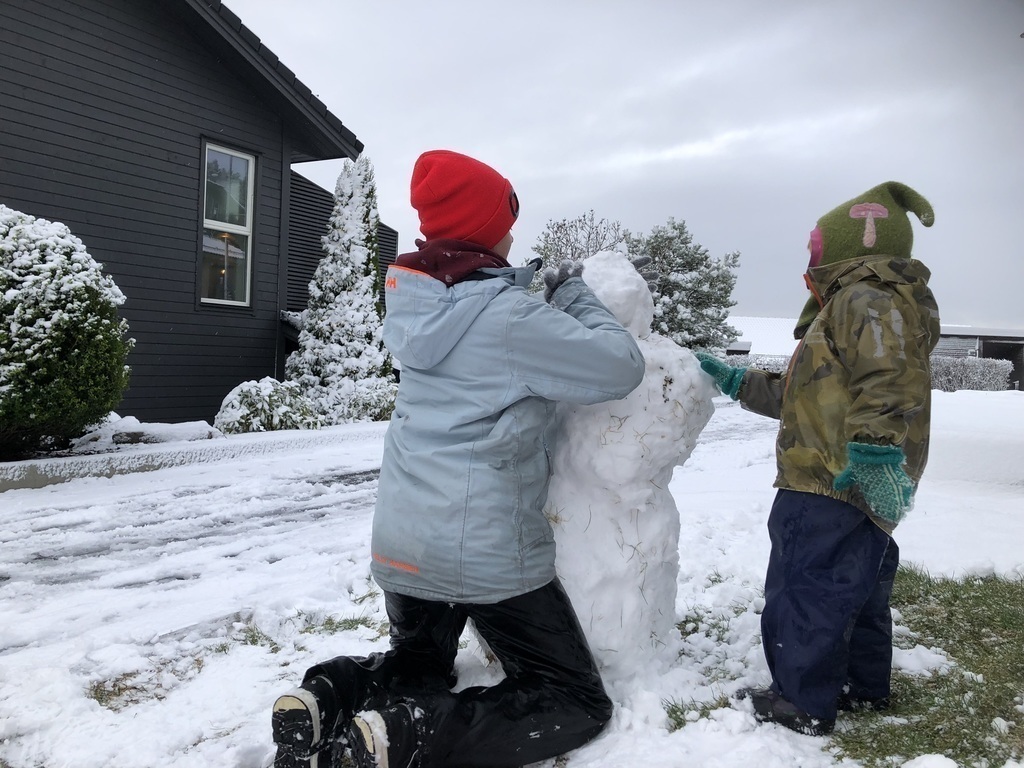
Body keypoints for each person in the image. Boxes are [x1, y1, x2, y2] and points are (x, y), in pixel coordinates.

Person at [270, 149, 646, 768]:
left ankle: (326, 697)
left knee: (418, 664)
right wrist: (573, 292)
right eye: (509, 215)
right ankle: (407, 737)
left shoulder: (414, 303)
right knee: (574, 698)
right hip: (482, 549)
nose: (514, 230)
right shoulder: (507, 315)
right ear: (485, 226)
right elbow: (619, 367)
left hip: (402, 541)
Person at [695, 181, 941, 737]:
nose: (810, 256)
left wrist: (874, 451)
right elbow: (808, 393)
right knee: (857, 587)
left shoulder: (864, 299)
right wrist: (737, 381)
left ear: (853, 246)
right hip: (856, 477)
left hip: (829, 475)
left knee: (804, 586)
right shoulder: (871, 305)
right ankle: (861, 685)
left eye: (816, 245)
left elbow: (890, 381)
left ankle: (801, 700)